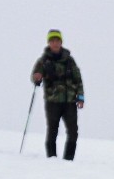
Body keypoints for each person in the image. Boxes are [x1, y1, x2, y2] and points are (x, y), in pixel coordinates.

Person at [31, 30, 85, 160]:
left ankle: (68, 160)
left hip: (70, 101)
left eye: (57, 41)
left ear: (61, 42)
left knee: (73, 132)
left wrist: (80, 97)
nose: (55, 43)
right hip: (52, 101)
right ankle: (52, 159)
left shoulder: (70, 60)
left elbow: (78, 79)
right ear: (49, 43)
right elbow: (36, 77)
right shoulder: (43, 61)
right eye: (52, 41)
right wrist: (36, 78)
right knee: (52, 130)